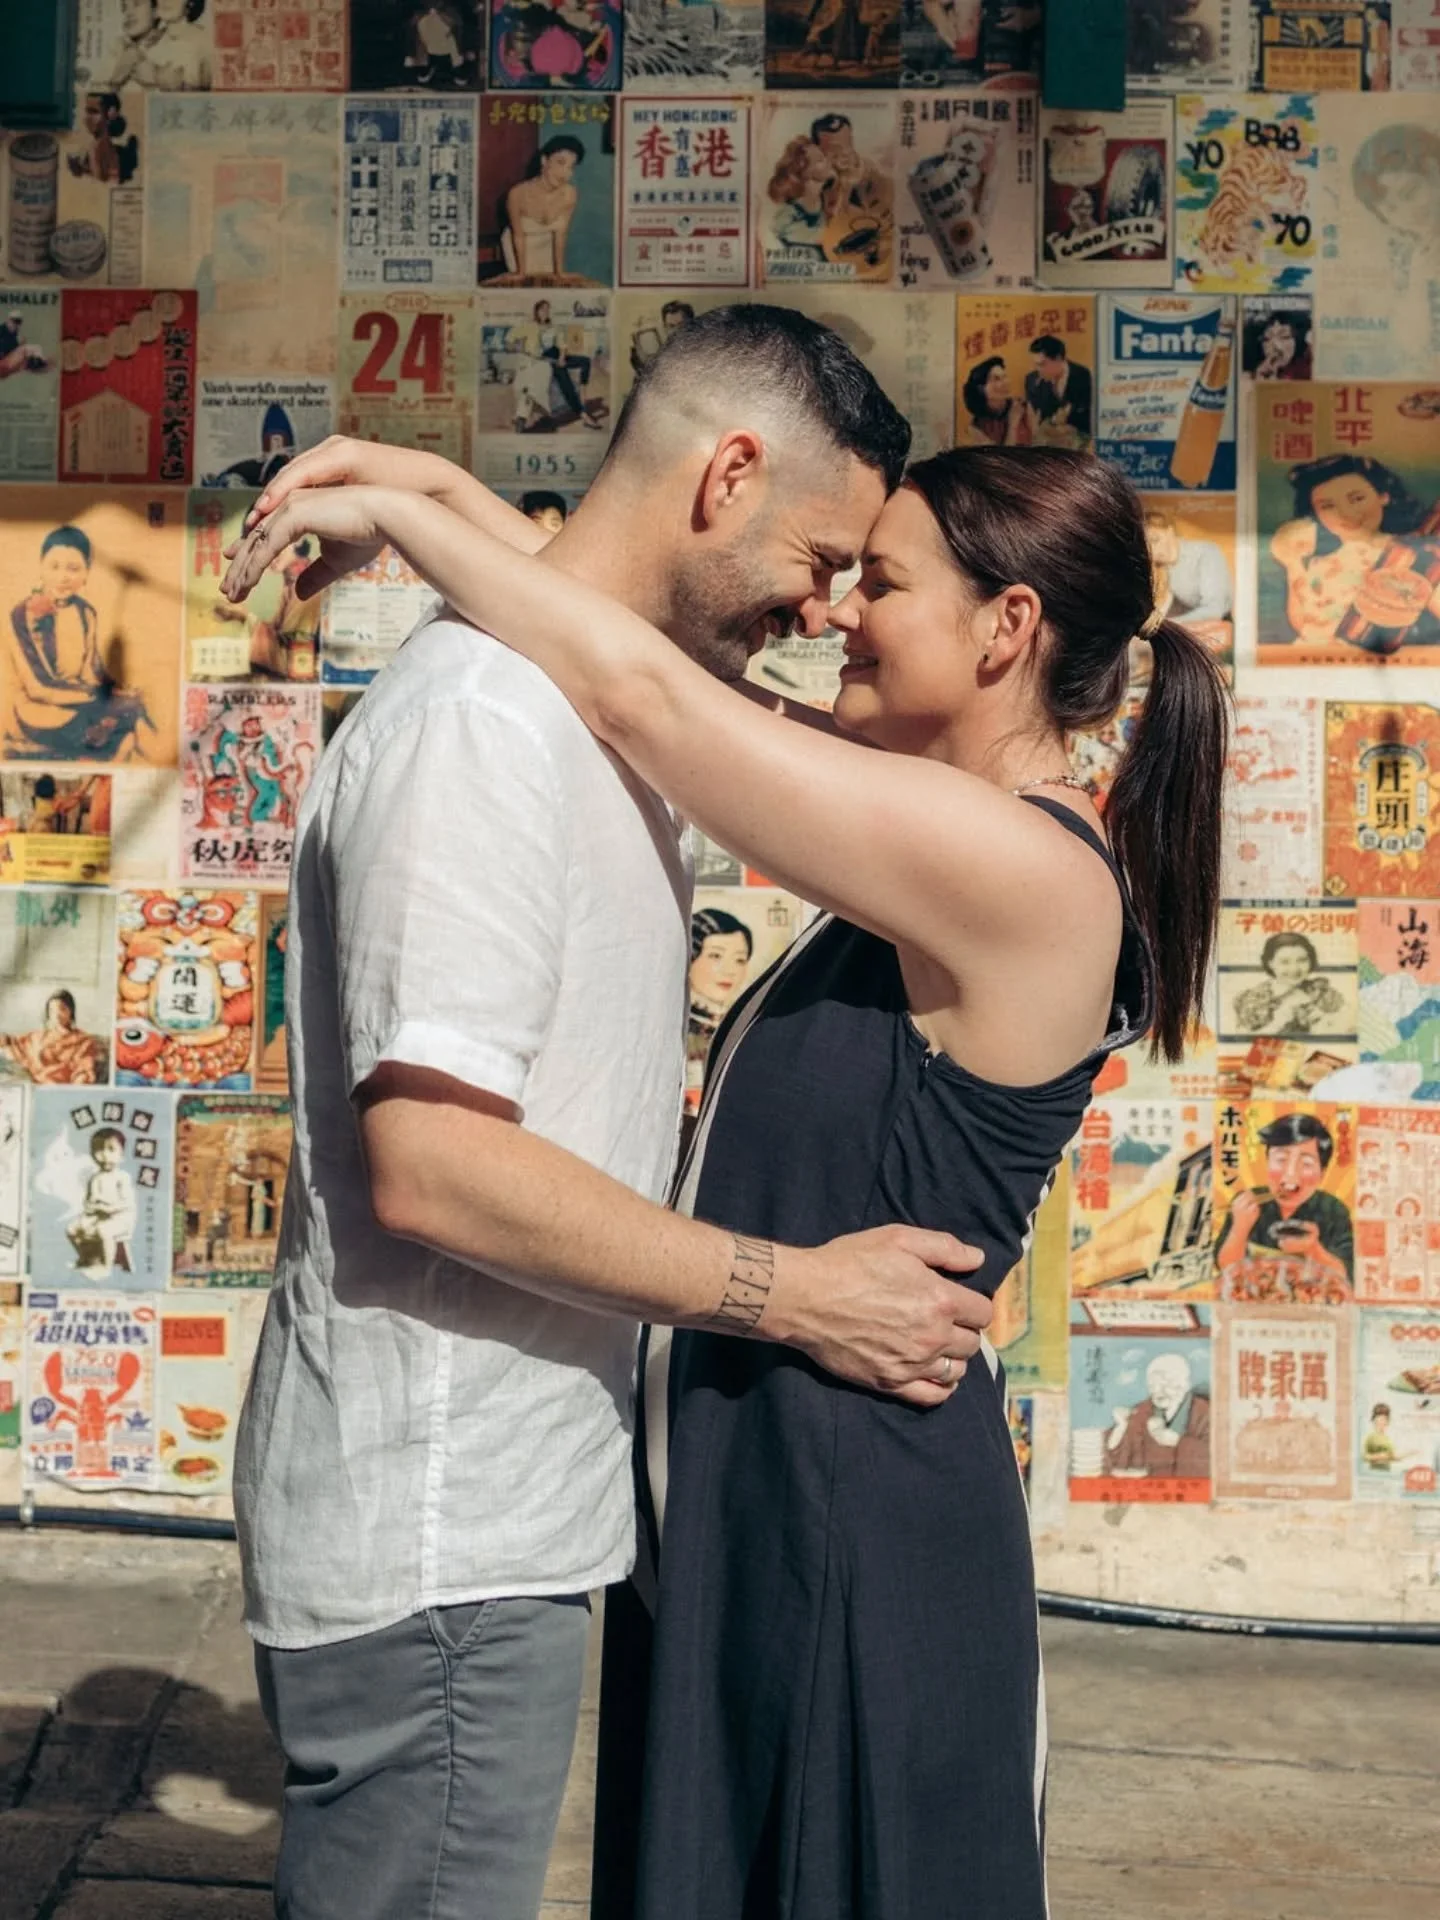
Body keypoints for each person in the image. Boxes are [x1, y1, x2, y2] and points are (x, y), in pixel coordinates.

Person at [225, 375, 1229, 1916]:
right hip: (759, 1488)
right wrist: (445, 497)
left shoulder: (1025, 870)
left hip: (861, 1513)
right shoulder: (922, 821)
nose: (834, 614)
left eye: (879, 584)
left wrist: (417, 521)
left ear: (1005, 630)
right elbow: (652, 653)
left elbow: (651, 699)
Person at [4, 527, 155, 762]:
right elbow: (39, 688)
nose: (63, 577)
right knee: (113, 729)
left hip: (82, 703)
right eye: (54, 567)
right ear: (41, 569)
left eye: (73, 568)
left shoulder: (86, 613)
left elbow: (91, 670)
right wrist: (102, 700)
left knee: (135, 711)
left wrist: (117, 692)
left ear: (86, 572)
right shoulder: (24, 615)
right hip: (41, 712)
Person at [1270, 454, 1440, 652]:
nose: (1346, 512)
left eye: (1357, 498)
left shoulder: (1407, 553)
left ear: (1383, 496)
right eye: (1327, 506)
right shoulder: (1320, 564)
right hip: (1320, 659)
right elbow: (1304, 625)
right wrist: (1293, 565)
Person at [1214, 1112, 1354, 1298]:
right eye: (1281, 1159)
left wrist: (1314, 1250)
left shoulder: (1333, 1210)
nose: (1290, 1174)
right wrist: (1240, 1228)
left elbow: (1345, 1276)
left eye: (1305, 1163)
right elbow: (1226, 1267)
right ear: (1267, 1162)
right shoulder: (1248, 1202)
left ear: (1322, 1173)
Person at [1104, 1351, 1210, 1479]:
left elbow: (1219, 1458)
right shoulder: (1142, 1410)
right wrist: (1121, 1426)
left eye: (1166, 1384)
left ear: (1185, 1385)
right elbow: (1115, 1456)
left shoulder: (1205, 1413)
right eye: (1153, 1386)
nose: (1158, 1391)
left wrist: (1178, 1442)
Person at [500, 133, 589, 283]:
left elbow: (561, 234)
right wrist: (520, 272)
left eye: (571, 167)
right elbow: (518, 235)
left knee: (549, 285)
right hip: (518, 247)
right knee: (524, 285)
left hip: (547, 246)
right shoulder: (517, 194)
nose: (565, 173)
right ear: (544, 160)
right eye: (560, 163)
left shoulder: (569, 194)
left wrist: (560, 272)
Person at [1233, 931, 1345, 1037]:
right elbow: (1242, 1044)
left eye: (1302, 960)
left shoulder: (1322, 992)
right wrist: (1279, 1021)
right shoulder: (1252, 999)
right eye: (1285, 962)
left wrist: (1325, 1021)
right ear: (1270, 963)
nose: (1294, 969)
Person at [66, 1126, 136, 1275]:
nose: (104, 1155)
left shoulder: (122, 1177)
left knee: (103, 1230)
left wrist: (110, 1209)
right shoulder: (95, 1178)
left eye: (111, 1149)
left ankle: (106, 1266)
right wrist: (92, 1207)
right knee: (72, 1229)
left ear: (122, 1155)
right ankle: (86, 1258)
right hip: (98, 1216)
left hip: (121, 1218)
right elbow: (88, 1202)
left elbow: (127, 1203)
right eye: (98, 1150)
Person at [0, 989, 105, 1086]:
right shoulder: (38, 1036)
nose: (57, 1014)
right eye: (52, 1010)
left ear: (71, 1011)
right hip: (34, 1086)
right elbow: (12, 1042)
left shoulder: (84, 1040)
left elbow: (84, 1069)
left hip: (61, 1090)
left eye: (62, 1009)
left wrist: (76, 1090)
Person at [1025, 333, 1092, 442]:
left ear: (1059, 358)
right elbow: (1033, 417)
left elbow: (1089, 419)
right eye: (1035, 364)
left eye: (1042, 364)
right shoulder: (1031, 380)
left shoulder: (1084, 376)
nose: (1038, 370)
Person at [961, 354, 1031, 447]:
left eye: (1004, 377)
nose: (1005, 383)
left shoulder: (1023, 407)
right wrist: (1013, 422)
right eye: (996, 379)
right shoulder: (976, 428)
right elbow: (1002, 459)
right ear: (981, 389)